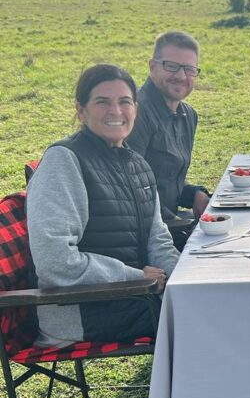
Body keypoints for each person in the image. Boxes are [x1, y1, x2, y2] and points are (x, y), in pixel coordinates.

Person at [27, 64, 179, 346]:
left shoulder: (138, 164)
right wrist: (136, 277)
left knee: (211, 301)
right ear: (81, 110)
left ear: (136, 108)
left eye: (124, 102)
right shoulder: (64, 161)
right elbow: (55, 263)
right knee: (206, 317)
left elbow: (158, 241)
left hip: (134, 297)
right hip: (82, 309)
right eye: (102, 102)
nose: (116, 111)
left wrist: (187, 279)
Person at [128, 31, 209, 244]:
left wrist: (194, 194)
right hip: (142, 234)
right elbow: (131, 187)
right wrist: (177, 224)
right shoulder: (135, 112)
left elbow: (166, 180)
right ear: (152, 66)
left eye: (189, 69)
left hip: (168, 226)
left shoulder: (188, 115)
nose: (181, 76)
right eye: (171, 66)